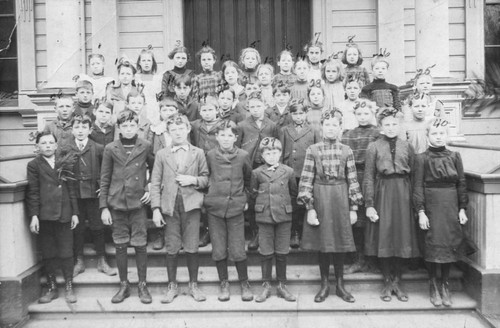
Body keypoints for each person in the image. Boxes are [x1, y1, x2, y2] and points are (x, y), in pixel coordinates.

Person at [298, 109, 363, 303]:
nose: (331, 128)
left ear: (340, 128)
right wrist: (310, 208)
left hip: (341, 198)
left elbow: (353, 180)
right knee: (324, 244)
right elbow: (306, 179)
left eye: (335, 125)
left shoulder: (347, 151)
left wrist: (353, 208)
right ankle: (324, 284)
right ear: (322, 127)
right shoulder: (313, 150)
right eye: (327, 125)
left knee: (340, 243)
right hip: (320, 198)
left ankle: (341, 285)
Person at [150, 114, 209, 303]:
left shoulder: (198, 153)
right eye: (173, 130)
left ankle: (193, 284)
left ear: (188, 129)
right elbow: (155, 181)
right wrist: (156, 209)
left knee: (191, 245)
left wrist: (193, 180)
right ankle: (172, 285)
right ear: (168, 132)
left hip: (191, 205)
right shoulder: (161, 154)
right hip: (169, 206)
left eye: (181, 128)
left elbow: (206, 179)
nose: (177, 133)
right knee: (172, 246)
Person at [363, 107, 420, 303]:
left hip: (403, 192)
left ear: (400, 125)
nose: (391, 127)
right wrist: (369, 204)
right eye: (386, 124)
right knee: (385, 236)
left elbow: (415, 176)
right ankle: (387, 280)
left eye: (394, 124)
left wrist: (416, 203)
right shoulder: (374, 147)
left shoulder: (407, 146)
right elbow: (368, 177)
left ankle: (398, 281)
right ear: (380, 126)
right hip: (383, 192)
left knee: (401, 236)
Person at [100, 110, 154, 304]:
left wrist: (149, 188)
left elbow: (155, 170)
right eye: (125, 126)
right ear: (119, 128)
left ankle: (142, 284)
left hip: (138, 202)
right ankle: (123, 285)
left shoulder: (146, 145)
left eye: (132, 125)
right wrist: (104, 207)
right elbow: (105, 178)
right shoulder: (110, 148)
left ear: (137, 126)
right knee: (120, 244)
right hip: (117, 203)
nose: (129, 129)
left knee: (140, 243)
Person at [413, 118, 469, 307]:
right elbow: (417, 186)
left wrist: (462, 208)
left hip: (451, 205)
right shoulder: (421, 158)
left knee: (448, 244)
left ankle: (445, 284)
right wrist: (421, 211)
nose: (438, 137)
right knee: (432, 244)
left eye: (441, 133)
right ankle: (433, 284)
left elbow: (461, 183)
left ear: (447, 135)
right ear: (428, 136)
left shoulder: (455, 156)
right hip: (431, 205)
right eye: (434, 134)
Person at [26, 131, 79, 303]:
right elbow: (33, 192)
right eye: (44, 143)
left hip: (64, 213)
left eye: (50, 143)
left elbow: (72, 190)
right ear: (37, 147)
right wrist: (34, 216)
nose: (48, 146)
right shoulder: (34, 165)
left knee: (66, 251)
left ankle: (69, 286)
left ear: (56, 145)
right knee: (48, 252)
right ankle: (52, 287)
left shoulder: (65, 162)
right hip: (45, 215)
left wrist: (75, 213)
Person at [204, 120, 254, 302]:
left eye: (230, 135)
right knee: (218, 248)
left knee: (238, 247)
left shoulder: (242, 155)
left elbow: (249, 180)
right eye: (222, 135)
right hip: (215, 207)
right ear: (217, 137)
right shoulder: (210, 155)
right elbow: (205, 176)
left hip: (235, 207)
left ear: (236, 137)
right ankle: (223, 282)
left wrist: (245, 199)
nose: (226, 139)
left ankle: (244, 282)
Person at [250, 137, 297, 303]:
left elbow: (293, 193)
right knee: (266, 252)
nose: (271, 156)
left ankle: (282, 285)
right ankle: (266, 285)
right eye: (267, 153)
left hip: (284, 216)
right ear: (262, 155)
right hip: (264, 217)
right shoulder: (256, 173)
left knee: (282, 252)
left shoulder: (289, 171)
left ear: (280, 153)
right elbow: (253, 194)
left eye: (275, 152)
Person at [69, 115, 116, 278]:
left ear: (90, 130)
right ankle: (79, 261)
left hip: (94, 195)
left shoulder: (98, 148)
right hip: (75, 195)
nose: (80, 131)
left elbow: (108, 171)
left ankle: (102, 260)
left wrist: (103, 187)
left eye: (84, 128)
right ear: (72, 130)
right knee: (78, 228)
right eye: (77, 127)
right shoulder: (66, 148)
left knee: (98, 227)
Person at [236, 91, 279, 250]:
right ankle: (256, 232)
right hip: (250, 167)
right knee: (253, 199)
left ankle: (268, 233)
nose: (255, 109)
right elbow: (238, 147)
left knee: (267, 197)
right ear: (248, 107)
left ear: (265, 106)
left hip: (267, 166)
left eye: (258, 106)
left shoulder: (272, 125)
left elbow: (276, 145)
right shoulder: (242, 125)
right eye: (252, 106)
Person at [341, 99, 380, 273]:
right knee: (356, 220)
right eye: (359, 114)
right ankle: (358, 259)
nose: (363, 117)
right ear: (354, 115)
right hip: (353, 176)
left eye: (366, 114)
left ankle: (373, 258)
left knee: (372, 218)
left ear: (372, 114)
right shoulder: (348, 134)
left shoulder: (378, 133)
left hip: (373, 178)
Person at [279, 100, 321, 248]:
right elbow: (282, 151)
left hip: (307, 171)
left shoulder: (313, 130)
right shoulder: (284, 130)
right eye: (295, 114)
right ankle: (294, 232)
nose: (298, 117)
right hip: (291, 171)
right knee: (292, 203)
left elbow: (318, 152)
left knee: (306, 201)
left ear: (306, 113)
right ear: (291, 114)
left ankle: (306, 233)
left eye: (301, 113)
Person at [135, 46, 162, 124]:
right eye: (143, 60)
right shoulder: (136, 78)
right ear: (139, 62)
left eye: (149, 60)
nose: (146, 63)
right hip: (140, 108)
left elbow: (159, 97)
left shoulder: (158, 78)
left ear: (153, 62)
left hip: (154, 109)